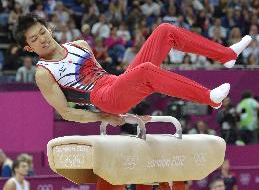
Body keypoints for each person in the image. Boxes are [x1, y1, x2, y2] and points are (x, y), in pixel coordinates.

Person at [14, 14, 252, 126]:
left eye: (42, 32)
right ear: (28, 47)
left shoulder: (80, 45)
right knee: (147, 70)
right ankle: (209, 98)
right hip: (102, 98)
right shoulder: (43, 73)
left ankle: (227, 56)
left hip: (115, 83)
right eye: (34, 39)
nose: (42, 39)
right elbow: (66, 112)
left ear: (49, 29)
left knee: (164, 30)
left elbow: (102, 76)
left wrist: (121, 86)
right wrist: (104, 115)